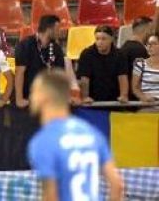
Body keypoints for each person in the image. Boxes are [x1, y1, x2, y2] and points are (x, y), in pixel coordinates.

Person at [28, 69, 124, 201]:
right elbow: (117, 184)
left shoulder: (43, 141)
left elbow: (51, 195)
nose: (31, 97)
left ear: (44, 97)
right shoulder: (92, 133)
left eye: (34, 92)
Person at [15, 14, 68, 108]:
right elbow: (20, 72)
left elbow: (60, 74)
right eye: (57, 29)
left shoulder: (56, 48)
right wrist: (19, 99)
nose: (59, 32)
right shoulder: (26, 45)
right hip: (28, 98)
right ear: (49, 29)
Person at [76, 25, 129, 104]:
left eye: (103, 39)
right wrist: (85, 97)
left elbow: (122, 77)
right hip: (93, 100)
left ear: (111, 39)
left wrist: (123, 95)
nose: (99, 42)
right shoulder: (87, 54)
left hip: (114, 100)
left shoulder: (120, 55)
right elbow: (84, 78)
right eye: (97, 39)